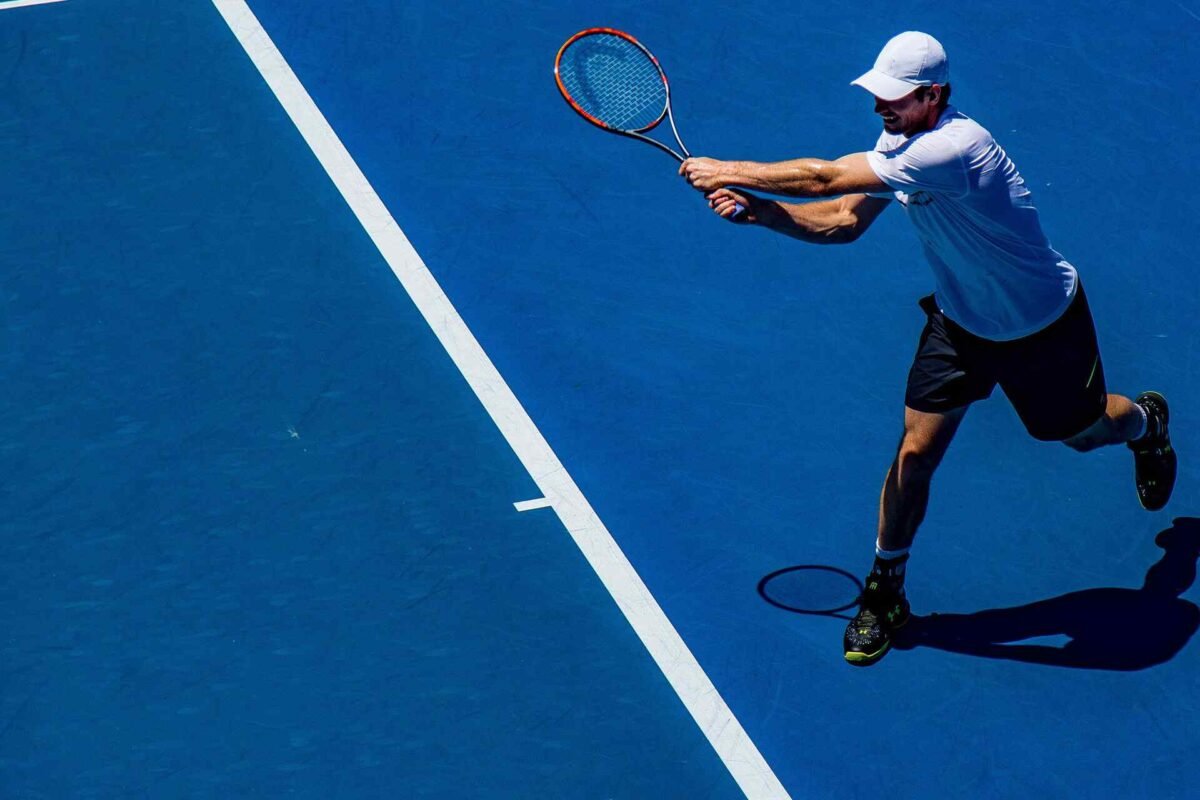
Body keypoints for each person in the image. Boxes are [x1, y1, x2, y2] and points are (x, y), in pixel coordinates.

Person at [678, 31, 1177, 666]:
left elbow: (823, 177)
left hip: (1043, 326)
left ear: (934, 95)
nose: (880, 107)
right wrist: (762, 213)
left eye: (894, 97)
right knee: (914, 454)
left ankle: (1145, 424)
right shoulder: (901, 142)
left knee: (1079, 434)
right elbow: (843, 220)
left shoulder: (955, 148)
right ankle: (885, 590)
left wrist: (727, 169)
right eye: (877, 95)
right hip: (960, 325)